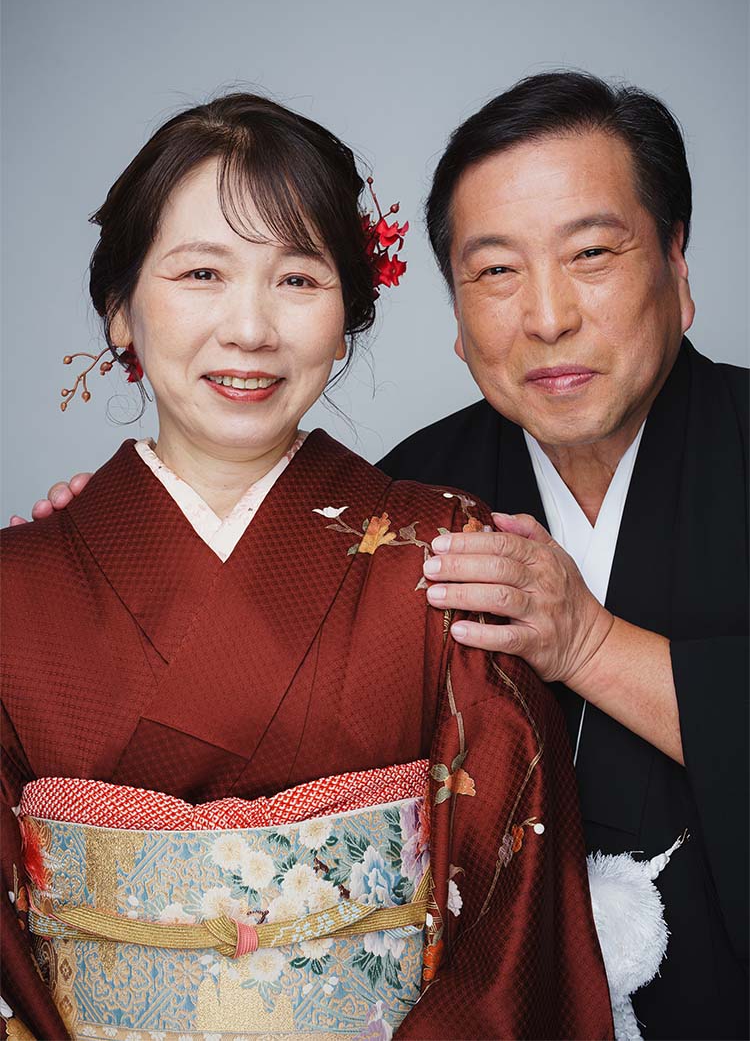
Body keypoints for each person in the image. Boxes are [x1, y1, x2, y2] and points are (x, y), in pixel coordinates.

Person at [0, 93, 613, 1040]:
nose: (250, 329)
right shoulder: (18, 589)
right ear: (120, 308)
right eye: (201, 272)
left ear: (347, 313)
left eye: (296, 278)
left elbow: (511, 912)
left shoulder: (440, 555)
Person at [379, 72, 749, 1040]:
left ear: (675, 261)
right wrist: (132, 510)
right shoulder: (405, 500)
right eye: (496, 271)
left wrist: (585, 642)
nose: (547, 317)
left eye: (590, 254)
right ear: (457, 316)